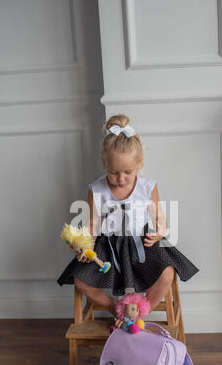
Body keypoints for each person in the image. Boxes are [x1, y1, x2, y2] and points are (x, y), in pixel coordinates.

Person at [57, 114, 199, 318]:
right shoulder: (97, 190)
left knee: (167, 273)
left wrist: (160, 231)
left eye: (127, 172)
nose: (121, 179)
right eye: (114, 172)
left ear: (139, 163)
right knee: (81, 280)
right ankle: (117, 310)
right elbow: (93, 224)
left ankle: (139, 312)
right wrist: (85, 245)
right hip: (109, 244)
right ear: (104, 163)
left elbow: (159, 217)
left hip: (142, 241)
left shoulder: (147, 187)